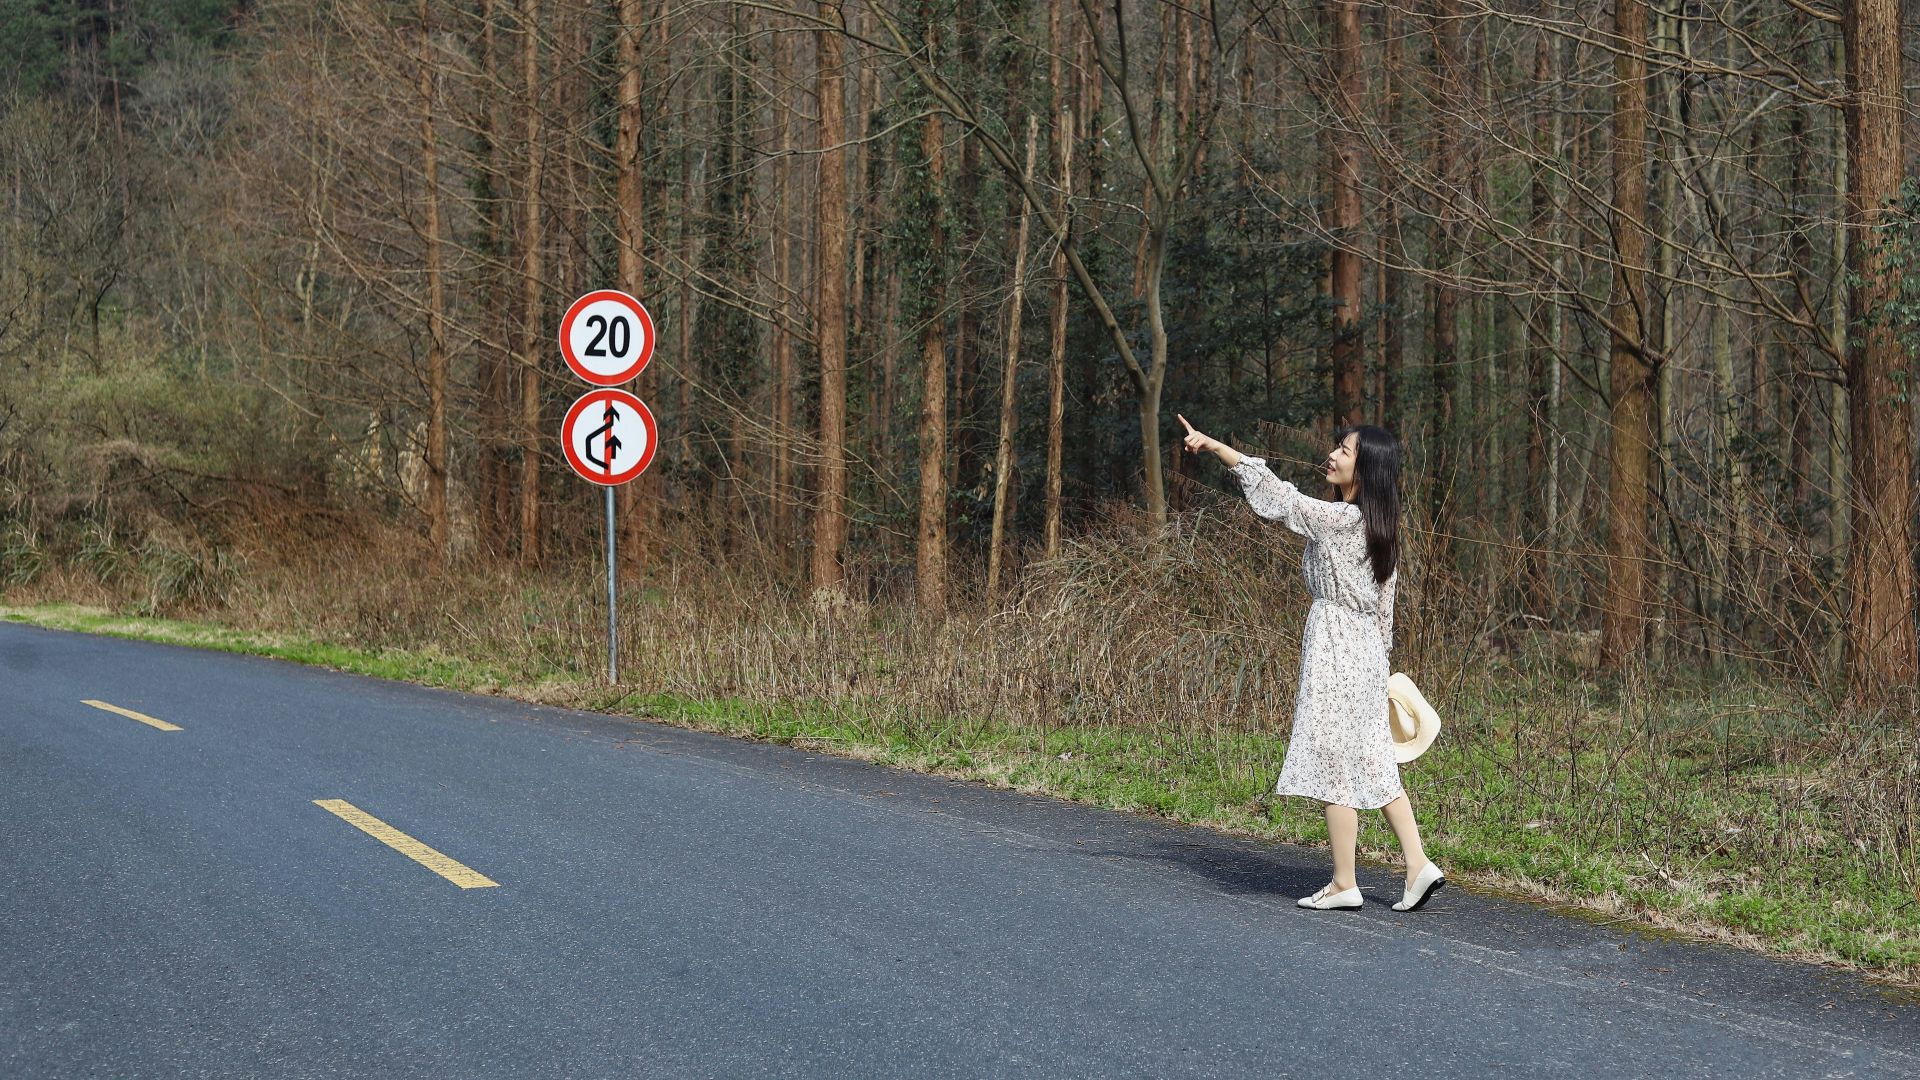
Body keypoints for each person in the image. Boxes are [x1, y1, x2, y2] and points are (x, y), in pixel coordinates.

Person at [1178, 415, 1444, 912]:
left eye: (1344, 451)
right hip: (1366, 650)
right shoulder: (1381, 528)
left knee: (1332, 758)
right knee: (1372, 759)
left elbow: (1280, 498)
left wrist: (1217, 448)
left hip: (1336, 644)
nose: (1332, 455)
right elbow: (1385, 608)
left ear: (1365, 468)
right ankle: (1417, 864)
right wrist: (1379, 666)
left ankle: (1345, 883)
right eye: (1336, 447)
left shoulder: (1341, 520)